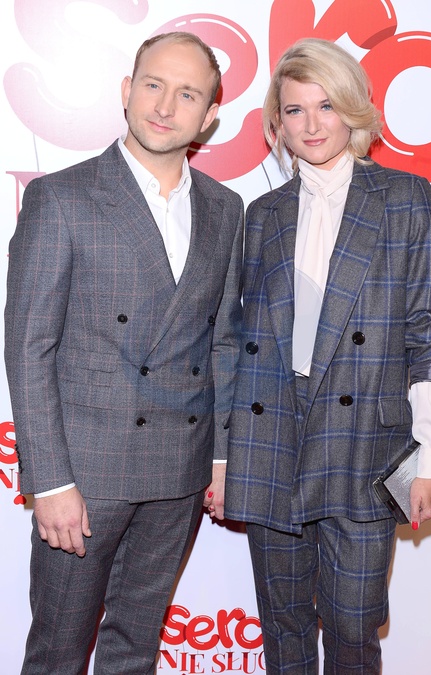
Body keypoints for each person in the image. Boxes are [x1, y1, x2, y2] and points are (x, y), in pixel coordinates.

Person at [5, 31, 243, 674]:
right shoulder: (62, 198)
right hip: (83, 478)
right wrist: (50, 480)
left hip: (179, 471)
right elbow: (29, 348)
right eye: (153, 85)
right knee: (57, 652)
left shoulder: (225, 209)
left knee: (135, 649)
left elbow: (223, 340)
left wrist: (222, 456)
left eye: (187, 94)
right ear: (126, 90)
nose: (165, 106)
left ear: (209, 116)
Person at [225, 37, 431, 674]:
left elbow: (428, 334)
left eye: (326, 105)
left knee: (354, 626)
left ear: (353, 107)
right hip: (274, 437)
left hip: (365, 443)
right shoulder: (262, 214)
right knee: (284, 625)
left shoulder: (405, 199)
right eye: (294, 110)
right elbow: (241, 343)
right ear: (277, 122)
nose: (312, 124)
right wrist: (224, 454)